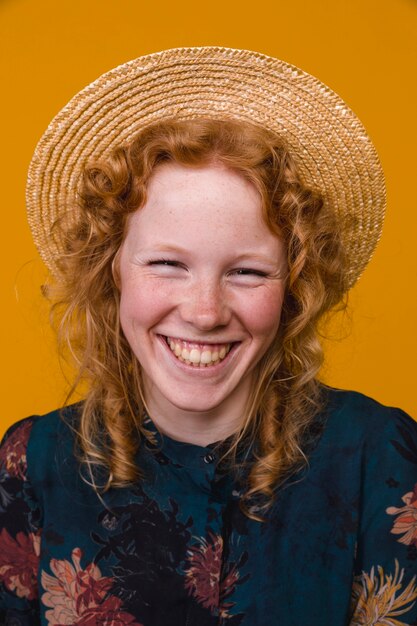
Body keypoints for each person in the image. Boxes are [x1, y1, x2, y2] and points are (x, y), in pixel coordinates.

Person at [1, 47, 416, 626]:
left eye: (246, 272)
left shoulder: (381, 454)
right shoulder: (31, 464)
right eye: (167, 264)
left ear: (294, 285)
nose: (204, 313)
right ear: (110, 270)